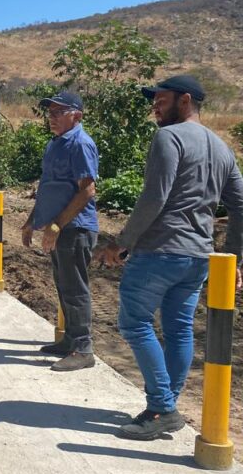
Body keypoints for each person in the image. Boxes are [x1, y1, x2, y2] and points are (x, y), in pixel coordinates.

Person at [99, 75, 243, 440]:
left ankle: (162, 406)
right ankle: (165, 405)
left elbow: (155, 197)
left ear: (186, 100)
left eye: (161, 99)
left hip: (160, 251)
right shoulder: (223, 148)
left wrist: (122, 242)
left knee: (135, 324)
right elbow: (240, 205)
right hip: (198, 256)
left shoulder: (169, 137)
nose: (155, 106)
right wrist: (233, 259)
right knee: (178, 329)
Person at [21, 91, 99, 372]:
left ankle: (83, 348)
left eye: (58, 112)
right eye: (50, 112)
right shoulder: (56, 143)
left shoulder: (80, 144)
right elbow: (48, 186)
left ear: (76, 115)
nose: (51, 118)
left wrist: (55, 226)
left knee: (75, 288)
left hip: (74, 229)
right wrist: (32, 220)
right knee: (63, 284)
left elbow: (87, 191)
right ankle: (70, 341)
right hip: (59, 228)